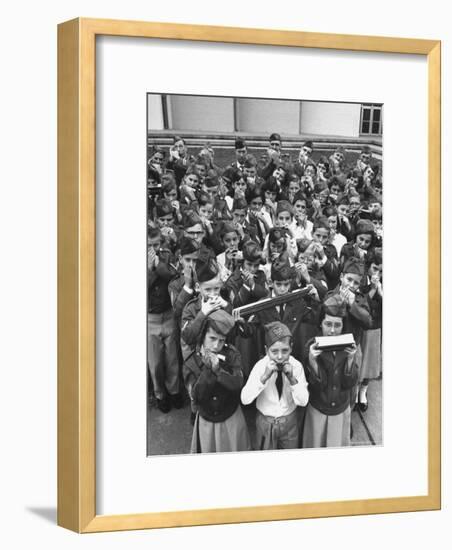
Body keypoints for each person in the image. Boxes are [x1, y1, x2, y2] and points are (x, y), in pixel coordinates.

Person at [184, 309, 251, 452]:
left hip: (231, 416)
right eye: (212, 338)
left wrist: (218, 371)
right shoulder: (192, 361)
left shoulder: (232, 355)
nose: (216, 346)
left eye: (221, 341)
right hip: (207, 420)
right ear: (202, 336)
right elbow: (197, 397)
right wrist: (208, 371)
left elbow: (238, 383)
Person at [241, 321, 309, 450]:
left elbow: (303, 401)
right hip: (265, 423)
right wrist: (264, 378)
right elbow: (245, 399)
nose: (279, 357)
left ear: (291, 347)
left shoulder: (296, 366)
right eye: (274, 351)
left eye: (285, 351)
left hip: (289, 422)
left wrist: (291, 378)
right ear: (266, 350)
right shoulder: (261, 366)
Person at [302, 294, 359, 448]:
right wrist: (312, 362)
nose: (332, 330)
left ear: (343, 325)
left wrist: (350, 360)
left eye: (337, 325)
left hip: (340, 410)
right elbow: (316, 387)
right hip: (319, 409)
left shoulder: (350, 346)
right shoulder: (311, 347)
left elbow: (349, 383)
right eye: (328, 324)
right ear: (320, 323)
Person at [147, 227, 183, 413]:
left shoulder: (166, 256)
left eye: (156, 244)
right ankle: (160, 394)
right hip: (149, 318)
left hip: (168, 314)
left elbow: (172, 276)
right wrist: (150, 270)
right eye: (149, 245)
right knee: (155, 363)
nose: (153, 249)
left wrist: (157, 265)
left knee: (171, 358)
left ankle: (174, 391)